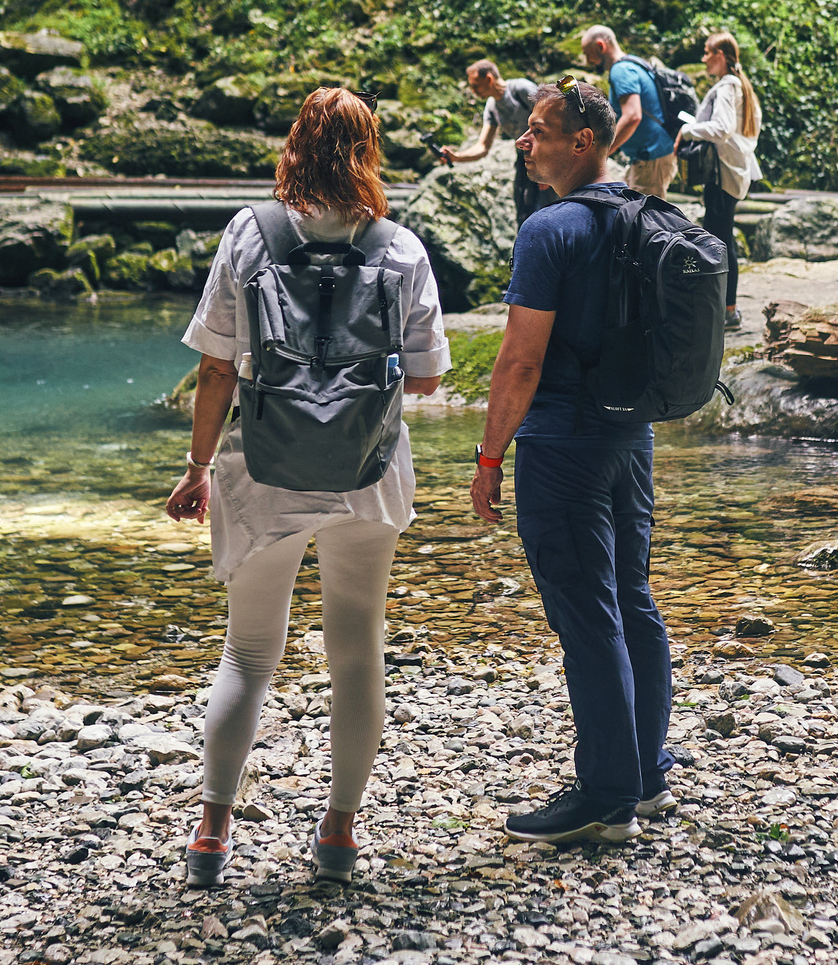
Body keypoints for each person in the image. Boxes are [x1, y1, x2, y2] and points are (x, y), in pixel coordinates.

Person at [165, 89, 450, 886]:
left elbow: (217, 366)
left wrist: (196, 469)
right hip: (367, 471)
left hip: (265, 470)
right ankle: (338, 833)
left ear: (293, 145)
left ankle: (213, 833)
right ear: (370, 151)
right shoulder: (401, 248)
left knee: (249, 652)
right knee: (357, 650)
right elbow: (427, 380)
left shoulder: (248, 234)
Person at [468, 80, 674, 845]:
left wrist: (490, 455)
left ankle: (606, 795)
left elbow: (519, 362)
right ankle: (646, 775)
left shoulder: (549, 229)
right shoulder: (652, 214)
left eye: (540, 130)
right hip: (633, 439)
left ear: (583, 142)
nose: (524, 141)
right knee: (631, 597)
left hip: (562, 445)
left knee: (588, 616)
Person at [674, 32, 763, 331]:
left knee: (720, 243)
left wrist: (688, 131)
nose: (703, 58)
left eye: (707, 52)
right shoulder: (741, 86)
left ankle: (727, 311)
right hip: (733, 173)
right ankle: (726, 308)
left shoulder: (728, 87)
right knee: (722, 239)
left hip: (722, 176)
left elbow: (722, 129)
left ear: (721, 55)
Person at [436, 59, 549, 229]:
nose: (473, 92)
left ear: (489, 79)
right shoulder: (491, 106)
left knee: (548, 209)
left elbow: (552, 120)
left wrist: (546, 166)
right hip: (524, 161)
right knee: (523, 212)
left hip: (547, 157)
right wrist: (456, 157)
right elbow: (483, 147)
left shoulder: (521, 89)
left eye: (476, 86)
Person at [579, 27, 675, 197]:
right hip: (650, 156)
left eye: (588, 53)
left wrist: (602, 152)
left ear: (601, 46)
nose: (588, 61)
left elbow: (632, 116)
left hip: (650, 158)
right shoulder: (633, 63)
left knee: (646, 220)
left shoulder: (621, 71)